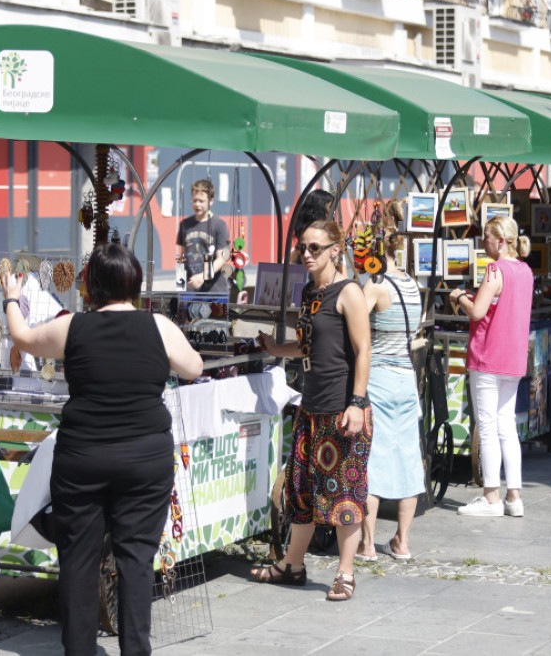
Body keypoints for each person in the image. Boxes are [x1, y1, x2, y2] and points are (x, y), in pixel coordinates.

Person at [0, 244, 203, 656]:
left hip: (83, 460)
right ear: (135, 284)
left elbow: (21, 336)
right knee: (135, 562)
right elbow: (194, 368)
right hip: (146, 462)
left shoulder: (71, 326)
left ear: (90, 287)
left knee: (77, 562)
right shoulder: (159, 326)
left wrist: (10, 296)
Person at [251, 220, 372, 601]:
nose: (306, 254)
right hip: (311, 406)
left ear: (335, 250)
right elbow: (307, 347)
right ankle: (293, 564)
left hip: (342, 409)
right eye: (302, 247)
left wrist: (356, 403)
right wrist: (276, 350)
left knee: (343, 495)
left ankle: (346, 573)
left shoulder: (349, 291)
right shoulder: (309, 293)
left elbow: (364, 349)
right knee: (300, 490)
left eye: (315, 248)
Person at [448, 215, 533, 517]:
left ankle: (491, 497)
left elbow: (478, 311)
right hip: (513, 358)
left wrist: (459, 297)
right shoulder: (525, 271)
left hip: (488, 357)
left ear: (501, 240)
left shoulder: (495, 269)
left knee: (487, 426)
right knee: (507, 426)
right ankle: (514, 496)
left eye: (486, 236)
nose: (482, 241)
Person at [356, 220, 424, 562]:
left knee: (374, 459)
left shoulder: (376, 285)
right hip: (405, 380)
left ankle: (367, 545)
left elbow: (353, 322)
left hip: (380, 379)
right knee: (408, 458)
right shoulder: (412, 284)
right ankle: (402, 542)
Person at [177, 179, 231, 293]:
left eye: (201, 201)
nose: (197, 204)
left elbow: (222, 259)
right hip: (191, 289)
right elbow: (181, 256)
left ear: (211, 201)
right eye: (194, 200)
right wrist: (180, 284)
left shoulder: (219, 225)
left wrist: (203, 276)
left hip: (214, 291)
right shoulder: (185, 224)